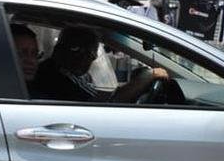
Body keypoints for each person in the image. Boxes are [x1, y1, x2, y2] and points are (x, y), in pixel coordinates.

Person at [30, 25, 168, 103]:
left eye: (92, 55)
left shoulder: (63, 72)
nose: (89, 59)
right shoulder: (56, 77)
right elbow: (108, 103)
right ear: (63, 49)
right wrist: (149, 75)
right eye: (88, 53)